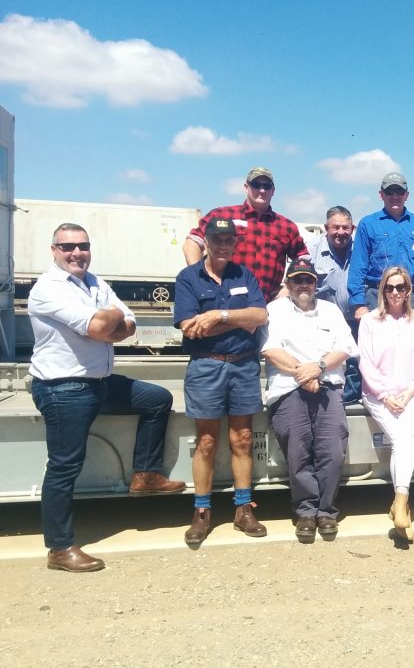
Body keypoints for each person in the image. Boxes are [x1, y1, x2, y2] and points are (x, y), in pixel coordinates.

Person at [29, 223, 181, 572]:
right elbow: (103, 327)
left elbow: (129, 327)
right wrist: (110, 318)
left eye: (82, 246)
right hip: (63, 387)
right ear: (54, 250)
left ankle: (145, 475)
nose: (76, 253)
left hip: (99, 382)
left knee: (156, 399)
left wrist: (110, 319)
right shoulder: (48, 288)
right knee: (65, 466)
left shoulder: (94, 282)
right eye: (67, 247)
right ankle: (60, 548)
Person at [174, 217, 269, 545]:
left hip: (243, 367)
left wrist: (219, 316)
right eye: (218, 240)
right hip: (206, 367)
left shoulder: (245, 275)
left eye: (230, 240)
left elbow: (261, 316)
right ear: (207, 242)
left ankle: (244, 508)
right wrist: (241, 322)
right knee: (207, 442)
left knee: (242, 438)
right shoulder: (188, 278)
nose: (224, 245)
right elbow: (189, 326)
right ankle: (202, 512)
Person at [262, 258, 357, 544]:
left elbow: (344, 347)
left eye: (309, 280)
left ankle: (326, 511)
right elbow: (271, 350)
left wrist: (318, 367)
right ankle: (305, 512)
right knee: (298, 450)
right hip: (288, 387)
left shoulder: (330, 310)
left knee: (331, 449)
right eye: (297, 280)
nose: (303, 285)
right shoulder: (274, 310)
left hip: (327, 385)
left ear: (316, 284)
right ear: (288, 284)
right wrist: (304, 373)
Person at [358, 266, 414, 542]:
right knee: (403, 438)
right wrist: (386, 393)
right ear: (382, 291)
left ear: (409, 290)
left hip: (410, 394)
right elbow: (365, 362)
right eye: (390, 287)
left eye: (401, 287)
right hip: (378, 395)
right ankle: (402, 503)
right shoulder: (369, 322)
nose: (395, 292)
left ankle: (399, 502)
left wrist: (411, 391)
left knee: (406, 436)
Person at [184, 167, 308, 302]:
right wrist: (199, 279)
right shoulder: (222, 216)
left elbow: (303, 259)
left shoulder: (286, 226)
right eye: (256, 185)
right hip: (225, 301)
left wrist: (288, 287)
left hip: (268, 304)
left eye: (267, 186)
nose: (262, 190)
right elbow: (192, 243)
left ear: (273, 191)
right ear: (246, 187)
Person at [349, 172, 414, 317]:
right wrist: (359, 304)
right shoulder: (368, 224)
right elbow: (358, 267)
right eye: (389, 191)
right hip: (377, 298)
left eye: (400, 191)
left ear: (407, 195)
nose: (395, 196)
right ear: (381, 194)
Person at [306, 206, 362, 403]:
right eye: (335, 227)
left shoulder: (361, 249)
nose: (341, 233)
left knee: (355, 362)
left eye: (345, 228)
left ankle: (351, 398)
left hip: (355, 318)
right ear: (325, 228)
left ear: (352, 228)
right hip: (322, 322)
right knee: (327, 362)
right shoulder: (310, 251)